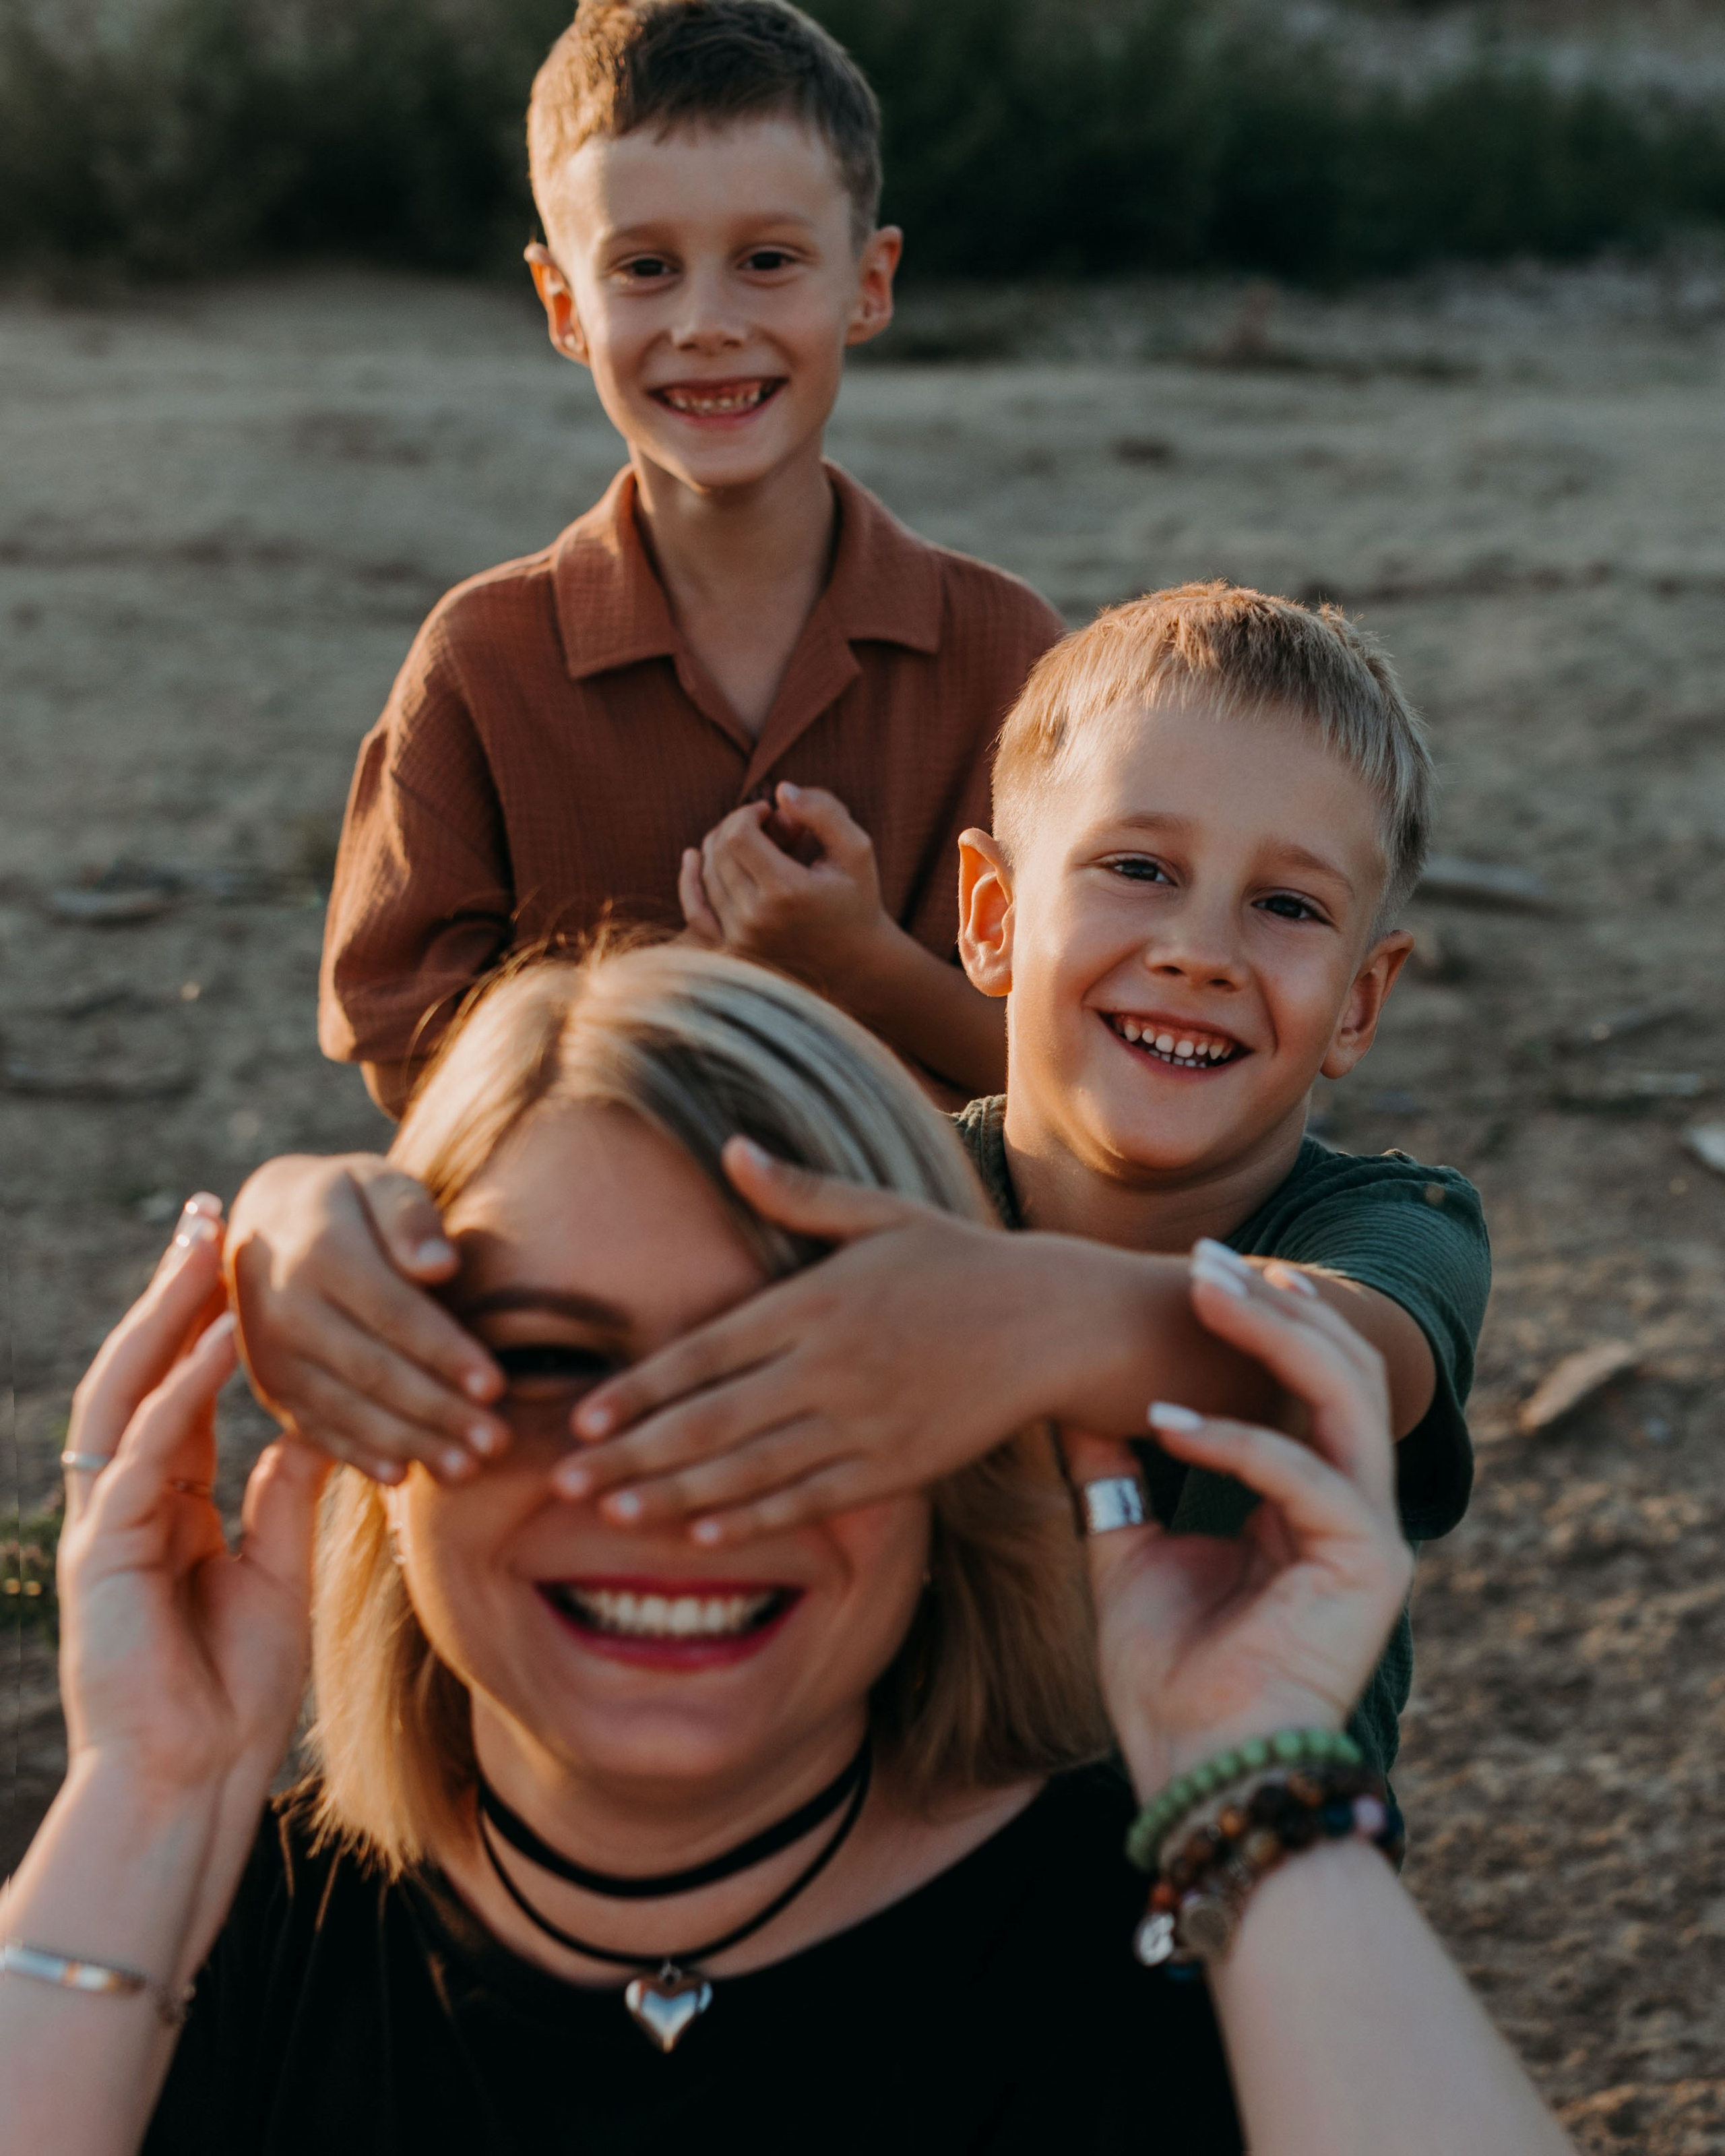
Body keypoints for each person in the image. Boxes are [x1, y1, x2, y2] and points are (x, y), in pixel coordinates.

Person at [1, 948, 1569, 2155]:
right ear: (371, 1442)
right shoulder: (196, 1942)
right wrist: (149, 1786)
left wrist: (1260, 1800)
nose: (672, 1489)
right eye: (543, 1364)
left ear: (951, 1460)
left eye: (788, 1383)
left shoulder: (1185, 1970)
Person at [228, 584, 1485, 1781]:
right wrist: (303, 1209)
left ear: (1361, 1004)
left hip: (1243, 1917)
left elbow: (1341, 1363)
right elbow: (580, 1222)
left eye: (1286, 906)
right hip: (873, 1903)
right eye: (1138, 870)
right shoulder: (880, 1175)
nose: (1199, 953)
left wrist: (1003, 1318)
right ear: (988, 916)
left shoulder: (1390, 1228)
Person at [319, 0, 1062, 1117]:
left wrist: (862, 964)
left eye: (767, 260)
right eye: (645, 268)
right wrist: (678, 1008)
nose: (707, 322)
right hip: (591, 1265)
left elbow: (1068, 1061)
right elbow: (397, 1050)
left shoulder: (1006, 653)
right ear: (564, 306)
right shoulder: (482, 660)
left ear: (870, 280)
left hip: (931, 1268)